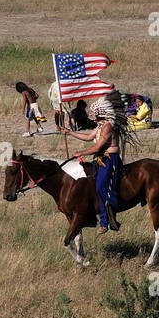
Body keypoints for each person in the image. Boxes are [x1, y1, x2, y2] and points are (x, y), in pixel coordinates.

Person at [62, 90, 130, 233]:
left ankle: (107, 221)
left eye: (95, 114)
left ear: (101, 114)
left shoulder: (107, 127)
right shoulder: (100, 126)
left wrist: (82, 153)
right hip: (100, 159)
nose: (93, 116)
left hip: (109, 160)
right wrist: (70, 133)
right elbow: (88, 137)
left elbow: (98, 147)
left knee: (100, 186)